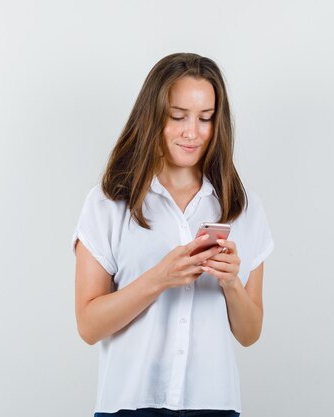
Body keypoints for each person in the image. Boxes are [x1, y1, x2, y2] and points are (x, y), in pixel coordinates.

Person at [71, 52, 274, 417]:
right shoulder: (108, 202)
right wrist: (159, 278)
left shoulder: (243, 207)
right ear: (153, 117)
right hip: (129, 404)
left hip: (213, 404)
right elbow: (89, 326)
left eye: (205, 118)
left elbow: (249, 333)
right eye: (178, 116)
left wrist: (230, 283)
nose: (191, 132)